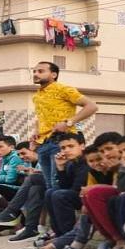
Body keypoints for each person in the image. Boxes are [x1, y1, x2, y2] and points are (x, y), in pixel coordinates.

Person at [30, 61, 98, 189]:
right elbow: (40, 117)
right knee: (49, 186)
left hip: (61, 141)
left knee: (57, 184)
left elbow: (92, 106)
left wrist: (69, 122)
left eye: (40, 71)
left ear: (54, 74)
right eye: (34, 71)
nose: (35, 74)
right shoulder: (37, 95)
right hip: (43, 143)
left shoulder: (63, 89)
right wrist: (35, 133)